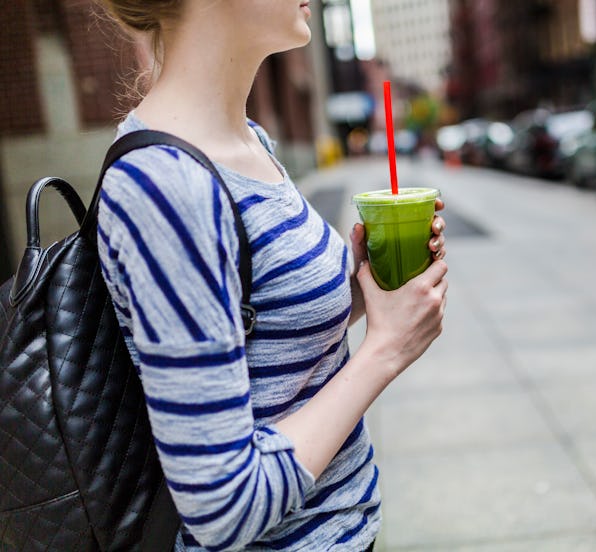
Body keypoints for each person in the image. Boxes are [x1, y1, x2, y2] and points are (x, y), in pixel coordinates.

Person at [95, 1, 448, 550]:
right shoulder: (165, 187)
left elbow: (258, 325)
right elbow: (223, 506)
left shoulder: (249, 143)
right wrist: (387, 350)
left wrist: (370, 288)